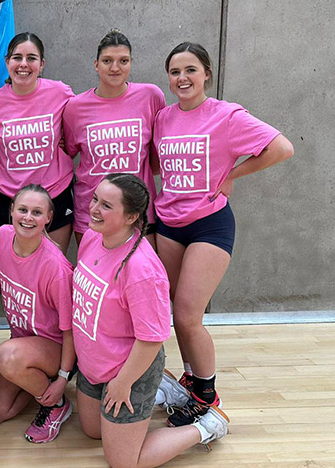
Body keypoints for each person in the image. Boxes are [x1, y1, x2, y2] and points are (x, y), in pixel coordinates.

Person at [152, 43, 294, 426]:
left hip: (209, 223)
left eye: (191, 70)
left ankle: (206, 395)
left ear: (207, 73)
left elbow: (281, 148)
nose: (182, 78)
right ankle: (192, 377)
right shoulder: (163, 118)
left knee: (187, 314)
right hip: (168, 221)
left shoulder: (226, 115)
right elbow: (156, 161)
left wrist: (231, 175)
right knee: (176, 316)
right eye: (175, 71)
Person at [73, 174, 230, 468]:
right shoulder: (94, 238)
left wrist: (123, 383)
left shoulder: (142, 270)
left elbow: (152, 338)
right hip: (95, 363)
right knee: (93, 431)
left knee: (124, 461)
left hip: (129, 369)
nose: (94, 208)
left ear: (131, 217)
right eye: (95, 199)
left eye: (106, 205)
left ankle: (206, 427)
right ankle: (164, 391)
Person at [0, 184, 75, 443]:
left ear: (48, 218)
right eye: (22, 210)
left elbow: (71, 330)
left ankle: (56, 405)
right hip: (24, 347)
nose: (28, 218)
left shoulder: (56, 269)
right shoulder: (1, 238)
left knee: (7, 355)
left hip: (59, 349)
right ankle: (37, 386)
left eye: (36, 212)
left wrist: (63, 378)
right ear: (11, 211)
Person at [63, 29, 165, 248]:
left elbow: (158, 155)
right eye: (107, 60)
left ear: (131, 63)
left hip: (137, 211)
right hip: (92, 211)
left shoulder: (151, 96)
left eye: (123, 60)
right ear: (96, 64)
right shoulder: (75, 107)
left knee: (139, 278)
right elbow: (68, 151)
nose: (115, 68)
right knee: (96, 279)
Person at [0, 32, 75, 254]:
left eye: (31, 58)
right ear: (7, 62)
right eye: (17, 57)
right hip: (8, 196)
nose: (23, 64)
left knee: (52, 267)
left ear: (42, 64)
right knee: (9, 270)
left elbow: (76, 128)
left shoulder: (60, 92)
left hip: (54, 194)